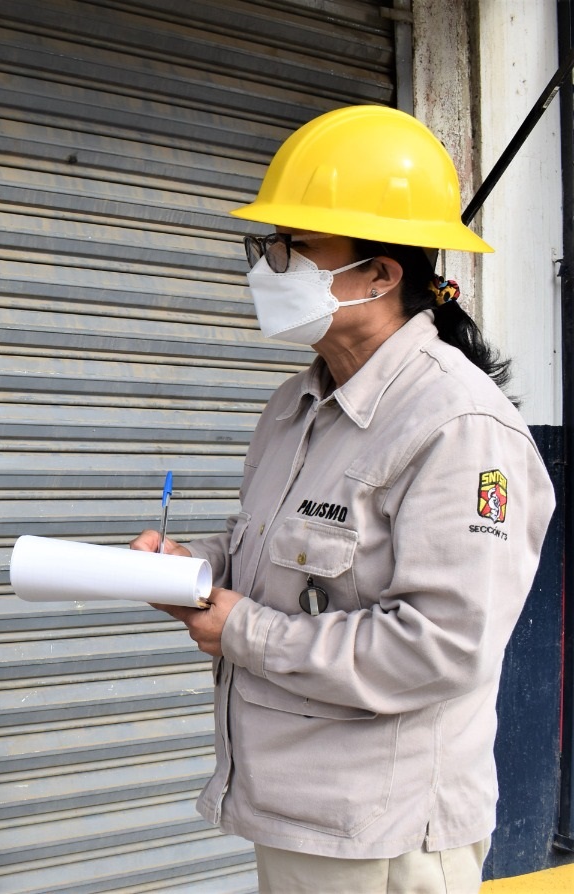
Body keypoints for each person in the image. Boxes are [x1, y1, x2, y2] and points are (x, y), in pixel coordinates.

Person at [131, 105, 554, 893]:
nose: (268, 266)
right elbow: (271, 554)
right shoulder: (294, 407)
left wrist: (242, 631)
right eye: (269, 245)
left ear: (379, 275)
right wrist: (192, 568)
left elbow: (441, 647)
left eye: (294, 247)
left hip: (384, 834)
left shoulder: (458, 428)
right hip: (299, 811)